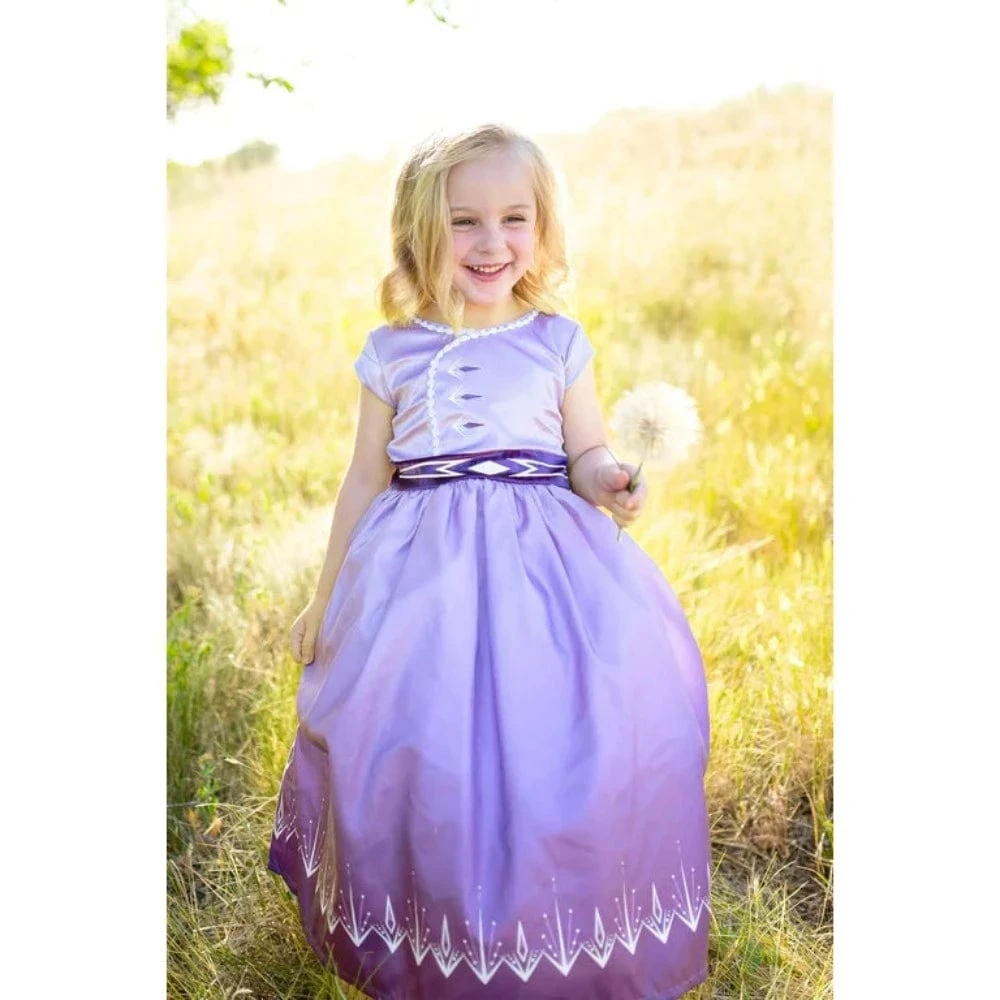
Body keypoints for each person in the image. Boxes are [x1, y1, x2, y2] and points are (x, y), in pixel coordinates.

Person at [268, 124, 711, 1000]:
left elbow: (584, 452)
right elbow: (365, 479)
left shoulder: (556, 342)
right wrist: (326, 600)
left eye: (515, 219)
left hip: (545, 583)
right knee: (425, 756)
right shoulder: (393, 351)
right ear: (419, 232)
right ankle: (432, 935)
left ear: (542, 229)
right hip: (420, 590)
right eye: (463, 221)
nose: (491, 242)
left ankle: (556, 929)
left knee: (557, 748)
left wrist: (608, 479)